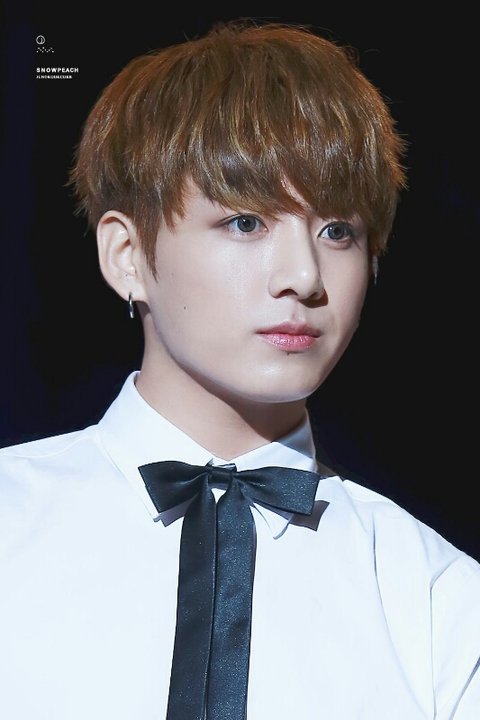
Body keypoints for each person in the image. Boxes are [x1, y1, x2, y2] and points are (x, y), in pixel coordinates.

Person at [1, 18, 479, 720]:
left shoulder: (437, 598)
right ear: (127, 257)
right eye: (247, 222)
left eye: (337, 231)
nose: (304, 276)